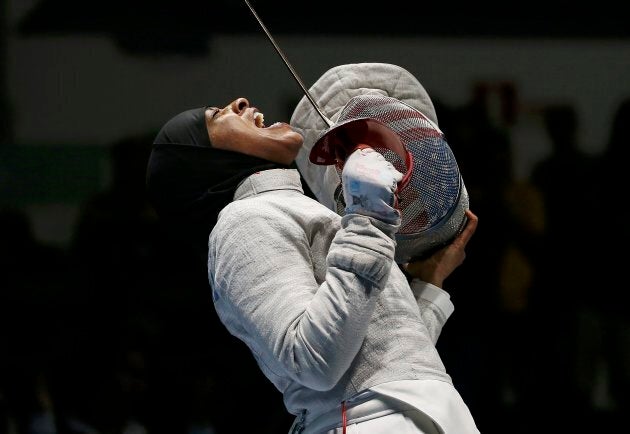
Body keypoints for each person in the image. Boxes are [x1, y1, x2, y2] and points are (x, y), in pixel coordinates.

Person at [146, 63, 479, 434]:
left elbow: (388, 364)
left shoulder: (292, 210)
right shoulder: (243, 221)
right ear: (202, 162)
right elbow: (313, 361)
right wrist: (368, 215)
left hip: (420, 412)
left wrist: (429, 284)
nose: (239, 103)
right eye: (216, 117)